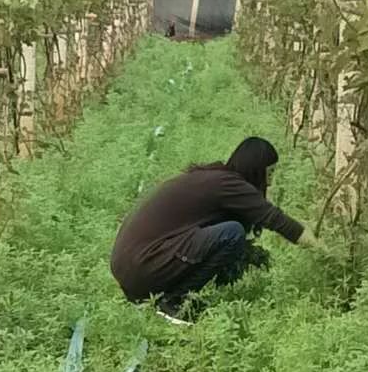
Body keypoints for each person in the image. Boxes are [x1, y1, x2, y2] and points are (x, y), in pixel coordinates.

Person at [110, 136, 319, 325]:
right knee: (232, 233)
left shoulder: (215, 179)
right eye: (269, 173)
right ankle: (174, 301)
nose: (270, 181)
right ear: (257, 170)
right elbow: (274, 219)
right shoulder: (227, 184)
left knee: (230, 234)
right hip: (142, 265)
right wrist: (320, 248)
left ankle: (167, 294)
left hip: (131, 266)